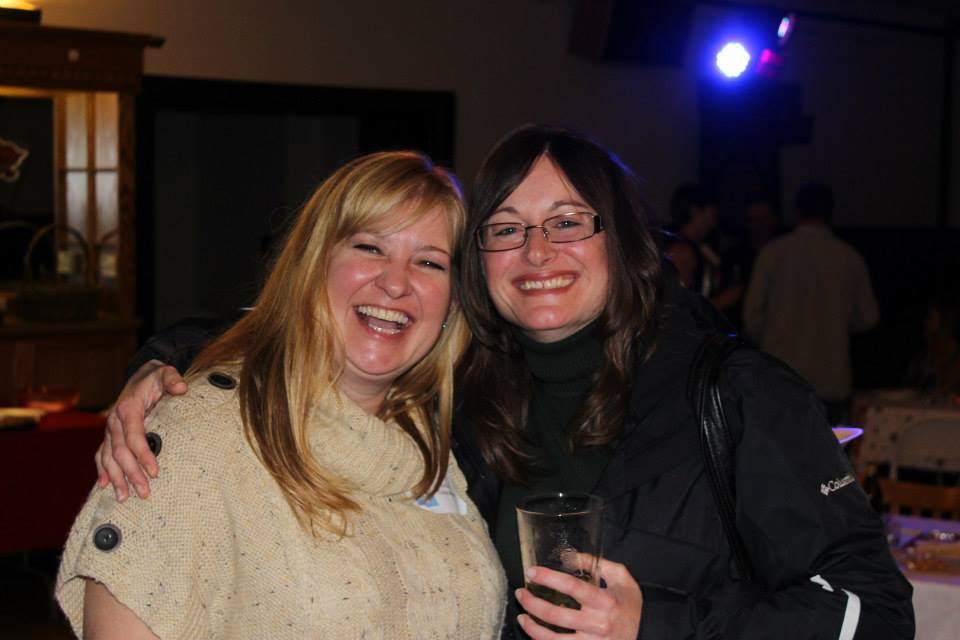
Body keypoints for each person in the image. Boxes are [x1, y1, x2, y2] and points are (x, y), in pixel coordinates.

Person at [96, 127, 913, 639]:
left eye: (567, 222)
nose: (537, 250)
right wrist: (164, 366)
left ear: (622, 239)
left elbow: (877, 614)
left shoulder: (735, 397)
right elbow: (340, 328)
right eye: (506, 229)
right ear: (478, 267)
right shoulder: (464, 393)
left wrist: (659, 625)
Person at [55, 151, 507, 638]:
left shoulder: (446, 442)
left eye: (429, 262)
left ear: (453, 303)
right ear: (312, 265)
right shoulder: (198, 435)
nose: (396, 283)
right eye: (370, 247)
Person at [743, 182, 879, 423]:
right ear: (830, 213)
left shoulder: (773, 253)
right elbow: (868, 318)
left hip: (780, 375)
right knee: (829, 446)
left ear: (796, 212)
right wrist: (838, 324)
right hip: (831, 379)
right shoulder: (848, 257)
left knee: (778, 446)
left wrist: (774, 336)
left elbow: (751, 317)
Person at [664, 183, 742, 315]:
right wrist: (721, 301)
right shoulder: (681, 251)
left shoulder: (702, 247)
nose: (714, 221)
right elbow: (678, 307)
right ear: (695, 211)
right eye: (712, 213)